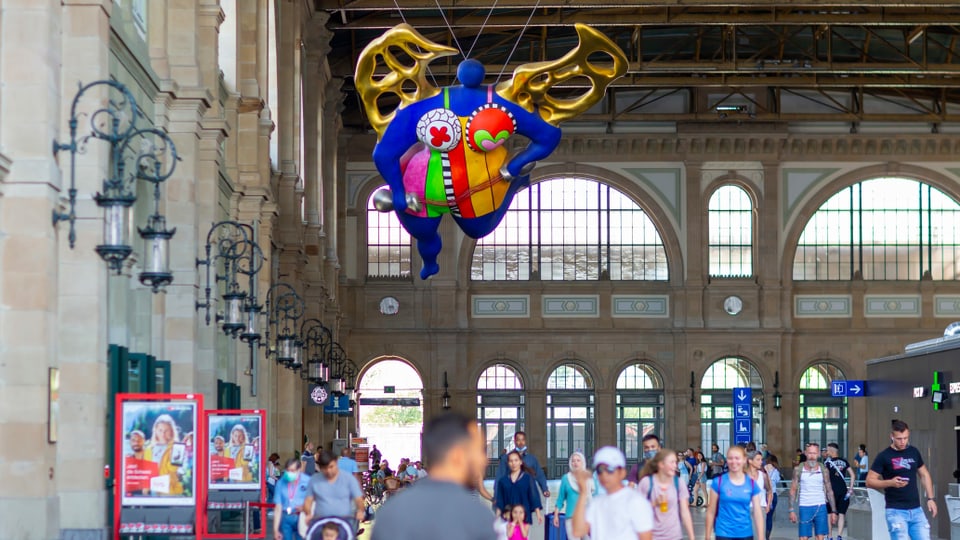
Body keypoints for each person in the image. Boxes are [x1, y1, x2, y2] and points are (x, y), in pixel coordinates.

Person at [370, 412, 499, 540]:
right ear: (458, 456)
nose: (484, 460)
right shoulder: (477, 518)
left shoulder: (390, 513)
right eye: (478, 451)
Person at [866, 419, 938, 540]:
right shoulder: (884, 456)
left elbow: (924, 474)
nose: (903, 442)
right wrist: (890, 482)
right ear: (892, 436)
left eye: (906, 438)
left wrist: (931, 498)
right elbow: (870, 481)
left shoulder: (913, 452)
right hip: (896, 511)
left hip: (916, 510)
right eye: (899, 439)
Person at [571, 446, 653, 540]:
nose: (604, 475)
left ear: (622, 472)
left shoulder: (636, 501)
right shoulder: (597, 503)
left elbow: (645, 537)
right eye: (600, 470)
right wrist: (583, 493)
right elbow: (578, 531)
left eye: (610, 469)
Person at [704, 445, 765, 540]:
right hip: (723, 533)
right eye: (730, 458)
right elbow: (711, 511)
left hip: (745, 533)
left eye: (737, 458)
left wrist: (761, 537)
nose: (734, 462)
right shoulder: (718, 482)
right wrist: (707, 536)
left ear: (744, 460)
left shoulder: (751, 484)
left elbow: (758, 512)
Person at [637, 448, 696, 539]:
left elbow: (685, 512)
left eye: (675, 462)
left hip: (674, 536)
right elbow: (637, 510)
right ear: (661, 464)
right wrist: (654, 503)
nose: (675, 466)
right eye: (671, 462)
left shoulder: (678, 482)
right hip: (652, 536)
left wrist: (692, 537)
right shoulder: (646, 483)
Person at [304, 450, 365, 534]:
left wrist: (360, 511)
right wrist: (308, 514)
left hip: (343, 522)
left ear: (336, 463)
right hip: (322, 523)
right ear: (320, 467)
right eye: (325, 468)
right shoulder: (314, 480)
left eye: (331, 467)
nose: (329, 471)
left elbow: (358, 499)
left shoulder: (349, 479)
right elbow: (308, 501)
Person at [788, 443, 836, 540]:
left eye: (814, 453)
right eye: (810, 453)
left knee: (820, 537)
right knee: (803, 537)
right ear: (805, 453)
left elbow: (829, 491)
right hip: (805, 506)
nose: (812, 456)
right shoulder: (798, 470)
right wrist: (791, 510)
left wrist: (834, 511)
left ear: (818, 454)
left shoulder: (824, 470)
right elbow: (793, 489)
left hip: (820, 506)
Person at [553, 451, 595, 540]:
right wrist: (556, 515)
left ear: (583, 462)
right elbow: (560, 498)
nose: (575, 463)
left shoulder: (589, 478)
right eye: (573, 461)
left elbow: (595, 498)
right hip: (571, 518)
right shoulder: (566, 478)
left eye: (578, 460)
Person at [495, 450, 543, 526]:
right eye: (511, 461)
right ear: (508, 463)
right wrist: (496, 518)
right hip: (508, 518)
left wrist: (538, 514)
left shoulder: (528, 478)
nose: (513, 463)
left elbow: (534, 497)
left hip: (524, 517)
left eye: (516, 460)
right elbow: (500, 501)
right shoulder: (503, 481)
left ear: (521, 462)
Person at [496, 432, 549, 497]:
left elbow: (540, 475)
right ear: (515, 441)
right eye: (518, 440)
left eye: (523, 440)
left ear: (525, 441)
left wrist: (545, 489)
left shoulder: (531, 459)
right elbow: (500, 477)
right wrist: (497, 495)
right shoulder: (506, 458)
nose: (521, 442)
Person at [273, 458, 312, 540]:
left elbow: (314, 500)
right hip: (286, 517)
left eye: (292, 470)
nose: (290, 473)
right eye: (288, 470)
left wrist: (305, 507)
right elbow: (278, 507)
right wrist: (275, 530)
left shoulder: (307, 481)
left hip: (301, 516)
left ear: (299, 470)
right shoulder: (281, 483)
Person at [824, 442, 855, 540]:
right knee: (841, 514)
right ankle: (839, 536)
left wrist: (824, 493)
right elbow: (853, 475)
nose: (827, 452)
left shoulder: (828, 464)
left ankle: (829, 536)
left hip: (831, 492)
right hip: (843, 491)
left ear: (832, 451)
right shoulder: (844, 462)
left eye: (828, 450)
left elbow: (826, 479)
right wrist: (850, 488)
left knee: (829, 514)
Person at [745, 450, 774, 535]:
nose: (761, 462)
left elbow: (769, 490)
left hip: (760, 509)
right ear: (750, 461)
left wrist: (768, 505)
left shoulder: (763, 476)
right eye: (758, 459)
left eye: (761, 459)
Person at [764, 454, 782, 539]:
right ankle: (767, 536)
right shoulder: (776, 471)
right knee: (769, 517)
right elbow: (778, 480)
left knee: (761, 516)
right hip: (773, 494)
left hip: (764, 494)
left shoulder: (763, 469)